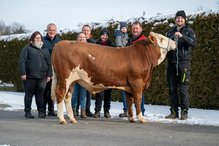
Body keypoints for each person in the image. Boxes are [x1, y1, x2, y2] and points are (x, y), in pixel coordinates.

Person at [165, 10, 197, 120]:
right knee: (172, 89)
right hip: (171, 64)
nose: (179, 20)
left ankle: (184, 112)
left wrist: (182, 36)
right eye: (178, 18)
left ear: (184, 20)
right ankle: (173, 112)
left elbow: (194, 43)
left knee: (183, 89)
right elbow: (165, 47)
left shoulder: (189, 31)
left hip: (184, 64)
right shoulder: (170, 32)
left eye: (181, 18)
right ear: (175, 19)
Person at [19, 31, 52, 119]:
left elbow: (49, 63)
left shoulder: (45, 49)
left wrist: (49, 75)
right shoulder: (27, 48)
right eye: (36, 37)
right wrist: (23, 73)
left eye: (39, 38)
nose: (38, 39)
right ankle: (27, 112)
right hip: (30, 76)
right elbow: (22, 61)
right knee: (29, 95)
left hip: (42, 77)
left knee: (40, 95)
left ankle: (41, 112)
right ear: (33, 38)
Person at [119, 21, 146, 117]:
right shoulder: (129, 39)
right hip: (127, 69)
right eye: (133, 28)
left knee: (139, 91)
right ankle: (127, 110)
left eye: (137, 28)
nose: (135, 30)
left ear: (141, 29)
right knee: (125, 89)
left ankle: (141, 111)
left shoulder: (144, 41)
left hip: (138, 71)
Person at [93, 28, 115, 118]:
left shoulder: (112, 45)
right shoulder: (96, 44)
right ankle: (97, 111)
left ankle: (107, 111)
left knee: (108, 93)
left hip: (110, 72)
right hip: (99, 71)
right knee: (99, 92)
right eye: (103, 35)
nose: (104, 37)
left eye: (106, 35)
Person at [43, 23, 61, 116]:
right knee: (44, 90)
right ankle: (42, 109)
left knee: (52, 89)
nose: (52, 32)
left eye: (54, 30)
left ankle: (51, 109)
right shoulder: (42, 41)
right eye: (50, 30)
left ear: (56, 31)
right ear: (47, 30)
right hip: (45, 69)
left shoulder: (59, 42)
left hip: (55, 69)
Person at [71, 32, 88, 118]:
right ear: (77, 39)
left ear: (86, 39)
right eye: (80, 37)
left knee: (83, 94)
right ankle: (73, 111)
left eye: (83, 37)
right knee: (74, 94)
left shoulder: (89, 49)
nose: (82, 39)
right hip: (75, 74)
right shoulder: (73, 49)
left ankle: (83, 112)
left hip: (84, 75)